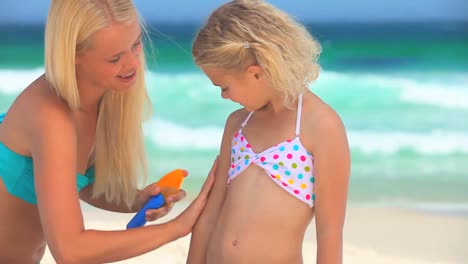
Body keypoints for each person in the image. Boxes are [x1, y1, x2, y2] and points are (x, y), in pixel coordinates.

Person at [0, 0, 215, 263]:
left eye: (135, 45)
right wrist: (177, 228)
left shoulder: (101, 97)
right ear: (73, 53)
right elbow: (70, 251)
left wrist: (137, 200)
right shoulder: (53, 118)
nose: (132, 64)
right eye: (115, 58)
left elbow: (81, 183)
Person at [187, 1, 350, 263]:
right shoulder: (238, 124)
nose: (223, 96)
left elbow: (329, 232)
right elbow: (211, 213)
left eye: (224, 87)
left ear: (256, 74)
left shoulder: (320, 125)